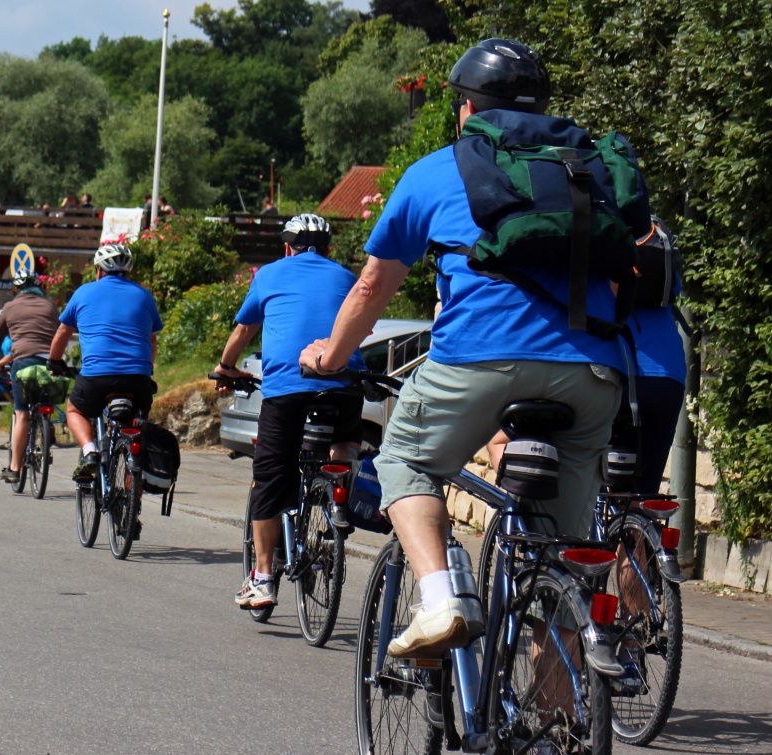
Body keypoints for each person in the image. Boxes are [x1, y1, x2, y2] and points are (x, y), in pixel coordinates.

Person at [299, 38, 652, 668]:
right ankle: (548, 747)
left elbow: (374, 285)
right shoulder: (587, 171)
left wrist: (330, 355)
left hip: (480, 362)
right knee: (561, 558)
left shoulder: (439, 170)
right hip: (595, 373)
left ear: (465, 109)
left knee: (404, 459)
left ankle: (441, 599)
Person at [215, 214, 365, 610]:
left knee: (269, 476)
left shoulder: (269, 274)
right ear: (328, 248)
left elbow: (244, 330)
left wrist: (226, 368)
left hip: (288, 390)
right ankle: (339, 496)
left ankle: (262, 578)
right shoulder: (345, 277)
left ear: (287, 247)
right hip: (344, 383)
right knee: (346, 440)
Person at [48, 243, 163, 480]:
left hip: (96, 376)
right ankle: (133, 506)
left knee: (75, 410)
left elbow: (62, 332)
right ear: (129, 272)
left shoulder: (83, 293)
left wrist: (54, 361)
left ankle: (89, 451)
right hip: (137, 379)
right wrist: (147, 370)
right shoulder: (144, 296)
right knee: (136, 438)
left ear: (99, 271)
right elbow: (152, 340)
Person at [0, 273, 60, 482]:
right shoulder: (51, 307)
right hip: (49, 362)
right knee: (44, 400)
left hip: (23, 361)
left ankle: (15, 468)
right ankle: (46, 424)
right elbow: (60, 333)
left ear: (16, 289)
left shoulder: (9, 308)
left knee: (22, 414)